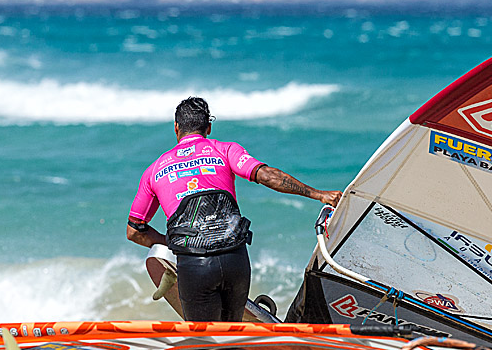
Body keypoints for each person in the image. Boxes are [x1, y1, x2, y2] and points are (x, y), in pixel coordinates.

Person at [127, 96, 342, 322]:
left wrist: (169, 244)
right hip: (235, 261)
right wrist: (319, 194)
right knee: (231, 333)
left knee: (207, 339)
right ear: (208, 127)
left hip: (195, 265)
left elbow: (134, 230)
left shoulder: (155, 170)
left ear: (176, 128)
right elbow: (268, 176)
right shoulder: (226, 150)